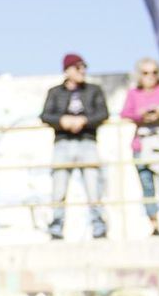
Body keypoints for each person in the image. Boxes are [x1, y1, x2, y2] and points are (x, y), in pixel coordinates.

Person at [40, 53, 108, 240]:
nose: (82, 71)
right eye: (78, 67)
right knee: (59, 188)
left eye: (84, 67)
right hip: (63, 143)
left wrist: (84, 121)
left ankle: (99, 227)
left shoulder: (93, 90)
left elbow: (103, 113)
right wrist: (63, 120)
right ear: (67, 70)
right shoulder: (55, 92)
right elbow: (45, 115)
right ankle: (56, 228)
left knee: (94, 187)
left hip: (87, 142)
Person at [119, 59, 159, 235]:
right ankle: (154, 227)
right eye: (146, 73)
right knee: (148, 189)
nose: (151, 76)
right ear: (140, 75)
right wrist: (142, 116)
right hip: (141, 147)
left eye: (154, 72)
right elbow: (125, 113)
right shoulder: (133, 93)